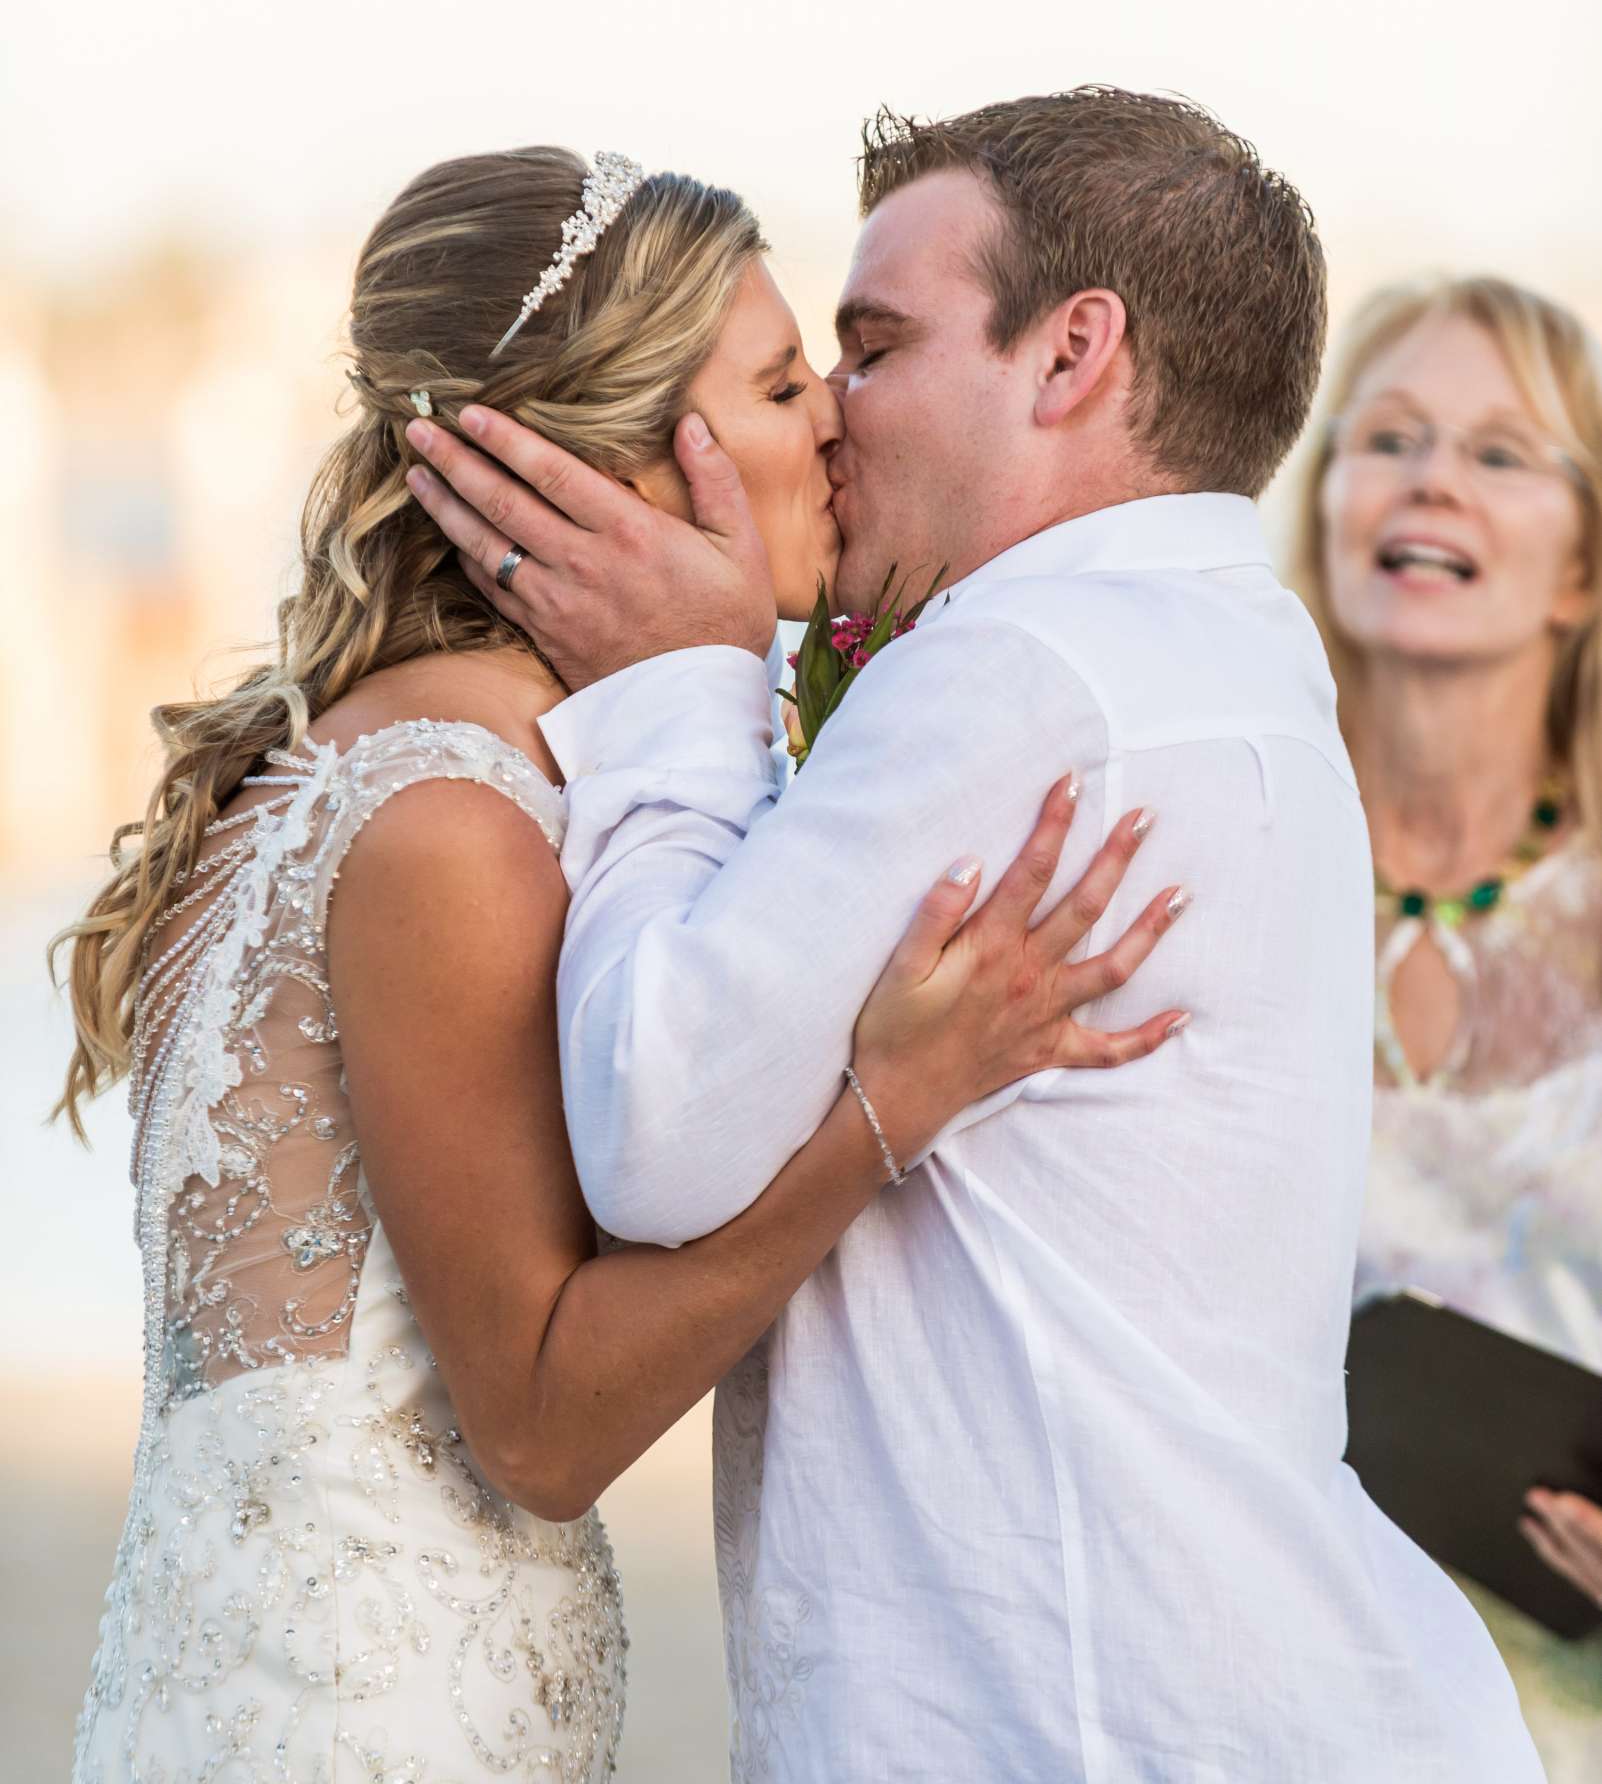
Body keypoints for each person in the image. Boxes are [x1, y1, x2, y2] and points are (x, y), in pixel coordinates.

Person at [409, 87, 1545, 1782]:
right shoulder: (1233, 649)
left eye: (869, 348)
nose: (831, 421)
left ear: (1071, 353)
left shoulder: (1025, 669)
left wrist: (679, 689)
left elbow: (655, 1139)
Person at [55, 147, 1190, 1783]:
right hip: (376, 1724)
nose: (832, 423)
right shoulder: (448, 819)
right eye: (786, 381)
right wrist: (891, 1107)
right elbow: (539, 1425)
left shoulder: (365, 763)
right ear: (618, 456)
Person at [1290, 272, 1602, 1778]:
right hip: (1245, 1690)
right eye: (1390, 437)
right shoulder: (1221, 858)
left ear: (1581, 570)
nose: (1427, 478)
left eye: (1496, 453)